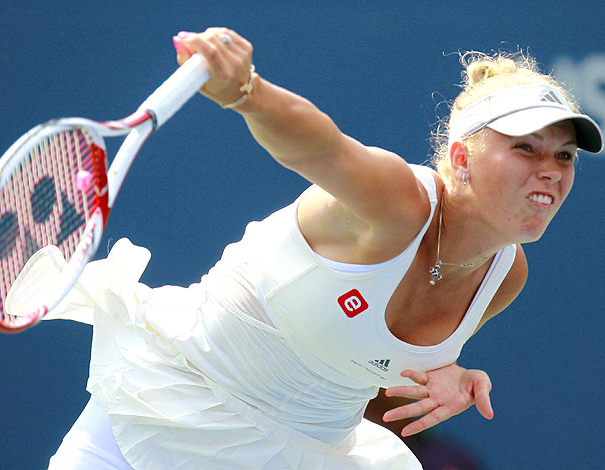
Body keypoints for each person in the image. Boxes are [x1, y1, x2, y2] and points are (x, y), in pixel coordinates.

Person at [43, 27, 602, 469]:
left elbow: (369, 363)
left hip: (301, 454)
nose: (550, 170)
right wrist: (247, 92)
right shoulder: (396, 202)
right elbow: (320, 147)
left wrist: (443, 374)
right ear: (460, 160)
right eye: (526, 148)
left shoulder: (505, 276)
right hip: (158, 416)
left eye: (564, 156)